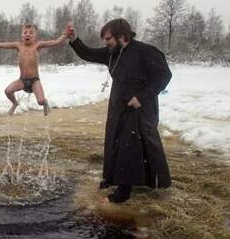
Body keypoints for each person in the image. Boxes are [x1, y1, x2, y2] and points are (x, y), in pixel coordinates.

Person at [66, 19, 172, 203]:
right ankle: (112, 178)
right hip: (118, 105)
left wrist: (142, 97)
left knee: (131, 148)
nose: (106, 43)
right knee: (114, 141)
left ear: (121, 36)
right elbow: (88, 53)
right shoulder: (112, 52)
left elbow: (164, 75)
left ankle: (124, 190)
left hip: (140, 107)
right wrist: (74, 39)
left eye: (108, 39)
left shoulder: (145, 52)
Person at [0, 24, 68, 115]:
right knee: (8, 91)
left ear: (35, 36)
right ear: (21, 35)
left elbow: (55, 42)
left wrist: (65, 35)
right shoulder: (18, 45)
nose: (27, 34)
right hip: (22, 80)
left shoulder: (38, 45)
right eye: (25, 32)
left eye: (31, 33)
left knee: (40, 101)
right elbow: (1, 45)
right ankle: (15, 103)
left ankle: (45, 103)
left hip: (34, 81)